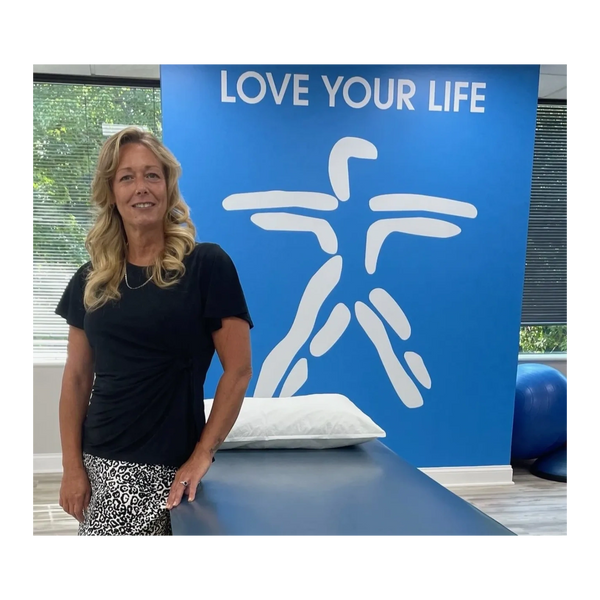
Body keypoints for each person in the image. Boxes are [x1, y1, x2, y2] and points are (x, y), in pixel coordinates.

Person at [55, 126, 253, 539]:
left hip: (172, 468)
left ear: (168, 186)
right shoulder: (90, 280)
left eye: (152, 175)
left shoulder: (206, 266)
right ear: (111, 192)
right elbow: (76, 379)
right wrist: (72, 468)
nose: (141, 188)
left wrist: (203, 455)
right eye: (127, 177)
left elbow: (237, 371)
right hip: (100, 462)